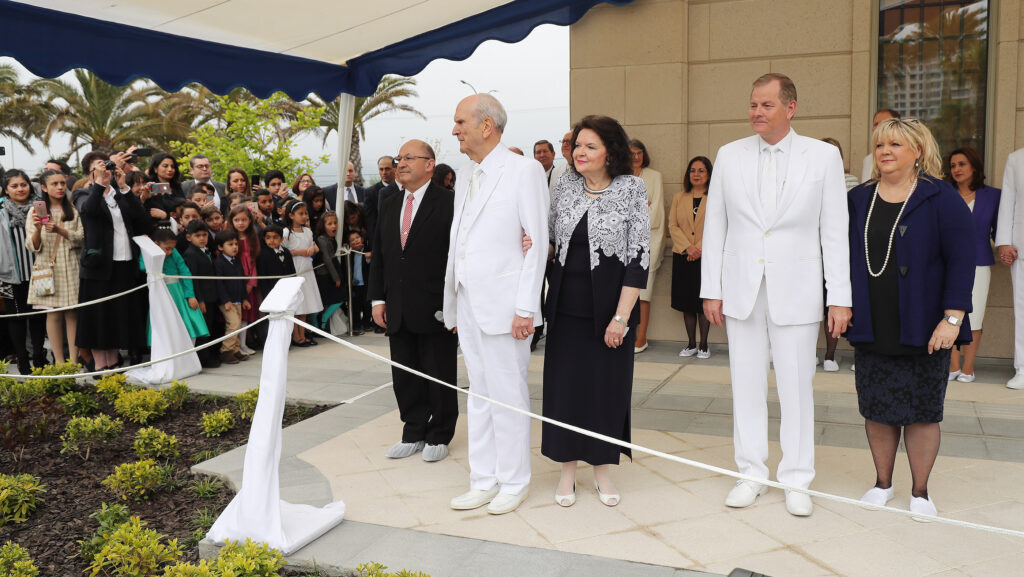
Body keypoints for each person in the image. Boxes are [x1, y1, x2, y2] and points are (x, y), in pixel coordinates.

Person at [701, 73, 852, 517]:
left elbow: (834, 232)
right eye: (752, 104)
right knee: (745, 384)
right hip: (742, 288)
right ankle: (750, 472)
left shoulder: (823, 157)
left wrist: (838, 297)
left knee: (796, 387)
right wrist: (712, 289)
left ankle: (797, 478)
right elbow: (716, 227)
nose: (756, 112)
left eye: (766, 105)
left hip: (799, 289)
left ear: (791, 108)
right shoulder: (729, 155)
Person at [847, 118, 974, 518]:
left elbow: (962, 259)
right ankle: (883, 484)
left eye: (896, 144)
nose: (885, 151)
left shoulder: (940, 197)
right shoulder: (859, 199)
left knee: (921, 411)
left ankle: (920, 492)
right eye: (881, 144)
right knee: (878, 409)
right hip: (873, 322)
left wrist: (952, 319)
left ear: (917, 151)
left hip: (926, 326)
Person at [443, 94, 549, 515]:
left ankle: (514, 480)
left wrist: (527, 307)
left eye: (460, 122)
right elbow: (459, 242)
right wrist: (452, 304)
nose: (455, 130)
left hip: (508, 306)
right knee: (479, 394)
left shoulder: (524, 171)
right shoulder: (467, 174)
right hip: (468, 302)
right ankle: (483, 478)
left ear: (486, 126)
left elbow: (537, 242)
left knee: (507, 393)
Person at [542, 115, 650, 508]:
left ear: (610, 152)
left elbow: (639, 257)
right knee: (565, 391)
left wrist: (621, 319)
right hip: (566, 310)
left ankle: (602, 470)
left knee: (606, 391)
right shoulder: (565, 184)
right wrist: (529, 243)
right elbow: (551, 239)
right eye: (577, 146)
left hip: (611, 312)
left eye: (590, 146)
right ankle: (567, 472)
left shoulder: (632, 188)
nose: (579, 153)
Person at [369, 139, 458, 463]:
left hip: (435, 305)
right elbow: (380, 253)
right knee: (404, 372)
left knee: (438, 371)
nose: (401, 163)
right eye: (399, 157)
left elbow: (457, 256)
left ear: (429, 164)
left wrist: (455, 303)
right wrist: (377, 298)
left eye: (409, 158)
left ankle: (440, 433)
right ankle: (413, 430)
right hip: (398, 304)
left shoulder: (449, 202)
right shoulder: (390, 202)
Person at [76, 152, 150, 373]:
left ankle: (114, 359)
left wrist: (123, 186)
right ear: (90, 172)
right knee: (98, 316)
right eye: (100, 168)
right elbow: (88, 210)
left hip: (124, 261)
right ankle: (100, 364)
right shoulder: (83, 193)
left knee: (117, 314)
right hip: (98, 266)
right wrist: (99, 183)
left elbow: (139, 217)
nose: (106, 171)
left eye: (107, 168)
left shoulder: (118, 194)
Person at [945, 147, 999, 383]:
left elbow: (1001, 230)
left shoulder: (993, 196)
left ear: (974, 167)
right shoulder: (944, 194)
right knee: (949, 313)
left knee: (974, 316)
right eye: (953, 165)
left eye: (962, 164)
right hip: (946, 263)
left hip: (979, 263)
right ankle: (953, 366)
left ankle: (968, 368)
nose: (956, 169)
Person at [25, 169, 83, 365]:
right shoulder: (35, 212)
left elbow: (81, 238)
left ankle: (74, 361)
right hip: (46, 268)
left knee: (72, 313)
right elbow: (32, 246)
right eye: (54, 184)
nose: (59, 187)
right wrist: (39, 229)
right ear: (44, 187)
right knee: (53, 313)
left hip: (71, 266)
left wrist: (60, 230)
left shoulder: (72, 211)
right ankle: (59, 361)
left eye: (62, 183)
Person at [820, 137, 861, 372]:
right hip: (816, 252)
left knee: (846, 302)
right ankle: (829, 354)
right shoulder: (807, 178)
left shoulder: (851, 180)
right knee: (824, 305)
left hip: (845, 249)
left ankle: (852, 354)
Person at [1, 169, 47, 373]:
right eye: (14, 186)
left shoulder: (40, 207)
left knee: (38, 317)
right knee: (16, 318)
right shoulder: (1, 211)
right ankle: (22, 360)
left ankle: (39, 357)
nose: (20, 189)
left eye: (23, 184)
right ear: (6, 190)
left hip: (39, 272)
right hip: (10, 274)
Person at [669, 156, 712, 359]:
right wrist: (688, 248)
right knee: (687, 301)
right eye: (693, 170)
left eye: (701, 170)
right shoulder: (680, 197)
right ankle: (691, 343)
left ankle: (704, 344)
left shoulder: (715, 197)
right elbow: (673, 226)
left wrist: (699, 248)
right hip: (683, 256)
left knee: (703, 300)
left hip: (706, 257)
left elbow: (718, 227)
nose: (696, 174)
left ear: (709, 174)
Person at [629, 139, 664, 353]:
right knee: (624, 294)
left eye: (639, 153)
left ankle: (641, 338)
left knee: (643, 294)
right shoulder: (619, 177)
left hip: (649, 242)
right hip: (622, 246)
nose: (635, 157)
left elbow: (656, 213)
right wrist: (642, 208)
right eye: (631, 153)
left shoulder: (654, 177)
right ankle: (626, 336)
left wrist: (633, 215)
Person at [144, 228, 209, 344]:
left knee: (188, 322)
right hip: (161, 294)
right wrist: (155, 256)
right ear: (156, 244)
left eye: (172, 248)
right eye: (166, 248)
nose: (169, 252)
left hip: (179, 293)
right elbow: (142, 267)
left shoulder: (174, 253)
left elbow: (185, 271)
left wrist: (190, 295)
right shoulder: (148, 254)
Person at [997, 147, 1024, 389]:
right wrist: (1004, 241)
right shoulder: (1016, 158)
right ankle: (1023, 368)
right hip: (1022, 247)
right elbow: (1008, 200)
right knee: (1023, 309)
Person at [282, 200, 323, 346]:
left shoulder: (308, 231)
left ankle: (303, 334)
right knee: (297, 305)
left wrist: (313, 248)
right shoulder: (287, 232)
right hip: (296, 268)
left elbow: (314, 246)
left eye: (305, 213)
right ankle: (296, 336)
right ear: (291, 215)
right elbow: (284, 252)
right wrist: (299, 252)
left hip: (307, 268)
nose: (304, 216)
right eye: (300, 213)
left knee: (304, 305)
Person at [182, 220, 221, 368]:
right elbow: (194, 279)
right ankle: (203, 358)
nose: (202, 238)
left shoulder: (206, 251)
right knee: (203, 329)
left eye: (204, 235)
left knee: (210, 326)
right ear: (189, 237)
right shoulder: (190, 254)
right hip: (202, 298)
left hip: (212, 295)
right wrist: (200, 300)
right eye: (197, 235)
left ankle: (210, 354)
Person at [225, 204, 260, 355]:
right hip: (234, 282)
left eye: (244, 219)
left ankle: (243, 344)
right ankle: (234, 346)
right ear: (231, 221)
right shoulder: (229, 238)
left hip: (249, 281)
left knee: (246, 315)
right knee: (235, 316)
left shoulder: (253, 238)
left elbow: (253, 262)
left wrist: (251, 282)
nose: (240, 223)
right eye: (237, 220)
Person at [213, 229, 249, 365]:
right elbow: (219, 283)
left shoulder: (237, 261)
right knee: (233, 324)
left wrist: (245, 298)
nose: (234, 247)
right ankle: (226, 351)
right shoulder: (219, 263)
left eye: (236, 244)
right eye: (230, 244)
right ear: (220, 247)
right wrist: (226, 300)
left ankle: (235, 349)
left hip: (238, 298)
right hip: (227, 301)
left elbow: (242, 281)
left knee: (238, 325)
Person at [363, 156, 400, 252]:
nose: (384, 173)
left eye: (387, 169)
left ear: (395, 169)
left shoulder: (404, 188)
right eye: (381, 169)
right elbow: (371, 223)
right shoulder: (370, 192)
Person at [257, 223, 296, 301]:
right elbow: (262, 278)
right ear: (264, 239)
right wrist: (267, 296)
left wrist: (294, 288)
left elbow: (292, 271)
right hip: (272, 292)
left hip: (288, 290)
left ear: (281, 239)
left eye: (275, 237)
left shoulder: (287, 252)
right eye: (268, 238)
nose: (271, 240)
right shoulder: (263, 255)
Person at [861, 109, 900, 182]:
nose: (879, 127)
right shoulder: (867, 160)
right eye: (876, 124)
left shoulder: (905, 156)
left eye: (885, 123)